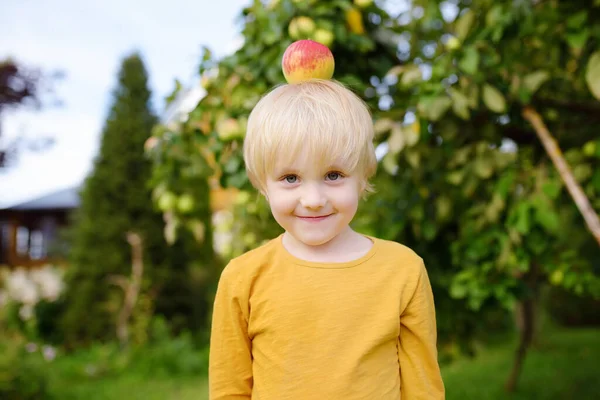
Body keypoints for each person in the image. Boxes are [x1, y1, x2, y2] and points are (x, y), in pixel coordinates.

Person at [209, 78, 445, 399]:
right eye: (290, 178)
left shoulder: (403, 269)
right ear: (263, 185)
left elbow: (422, 387)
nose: (313, 199)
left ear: (363, 177)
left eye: (333, 175)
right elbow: (229, 390)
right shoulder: (242, 278)